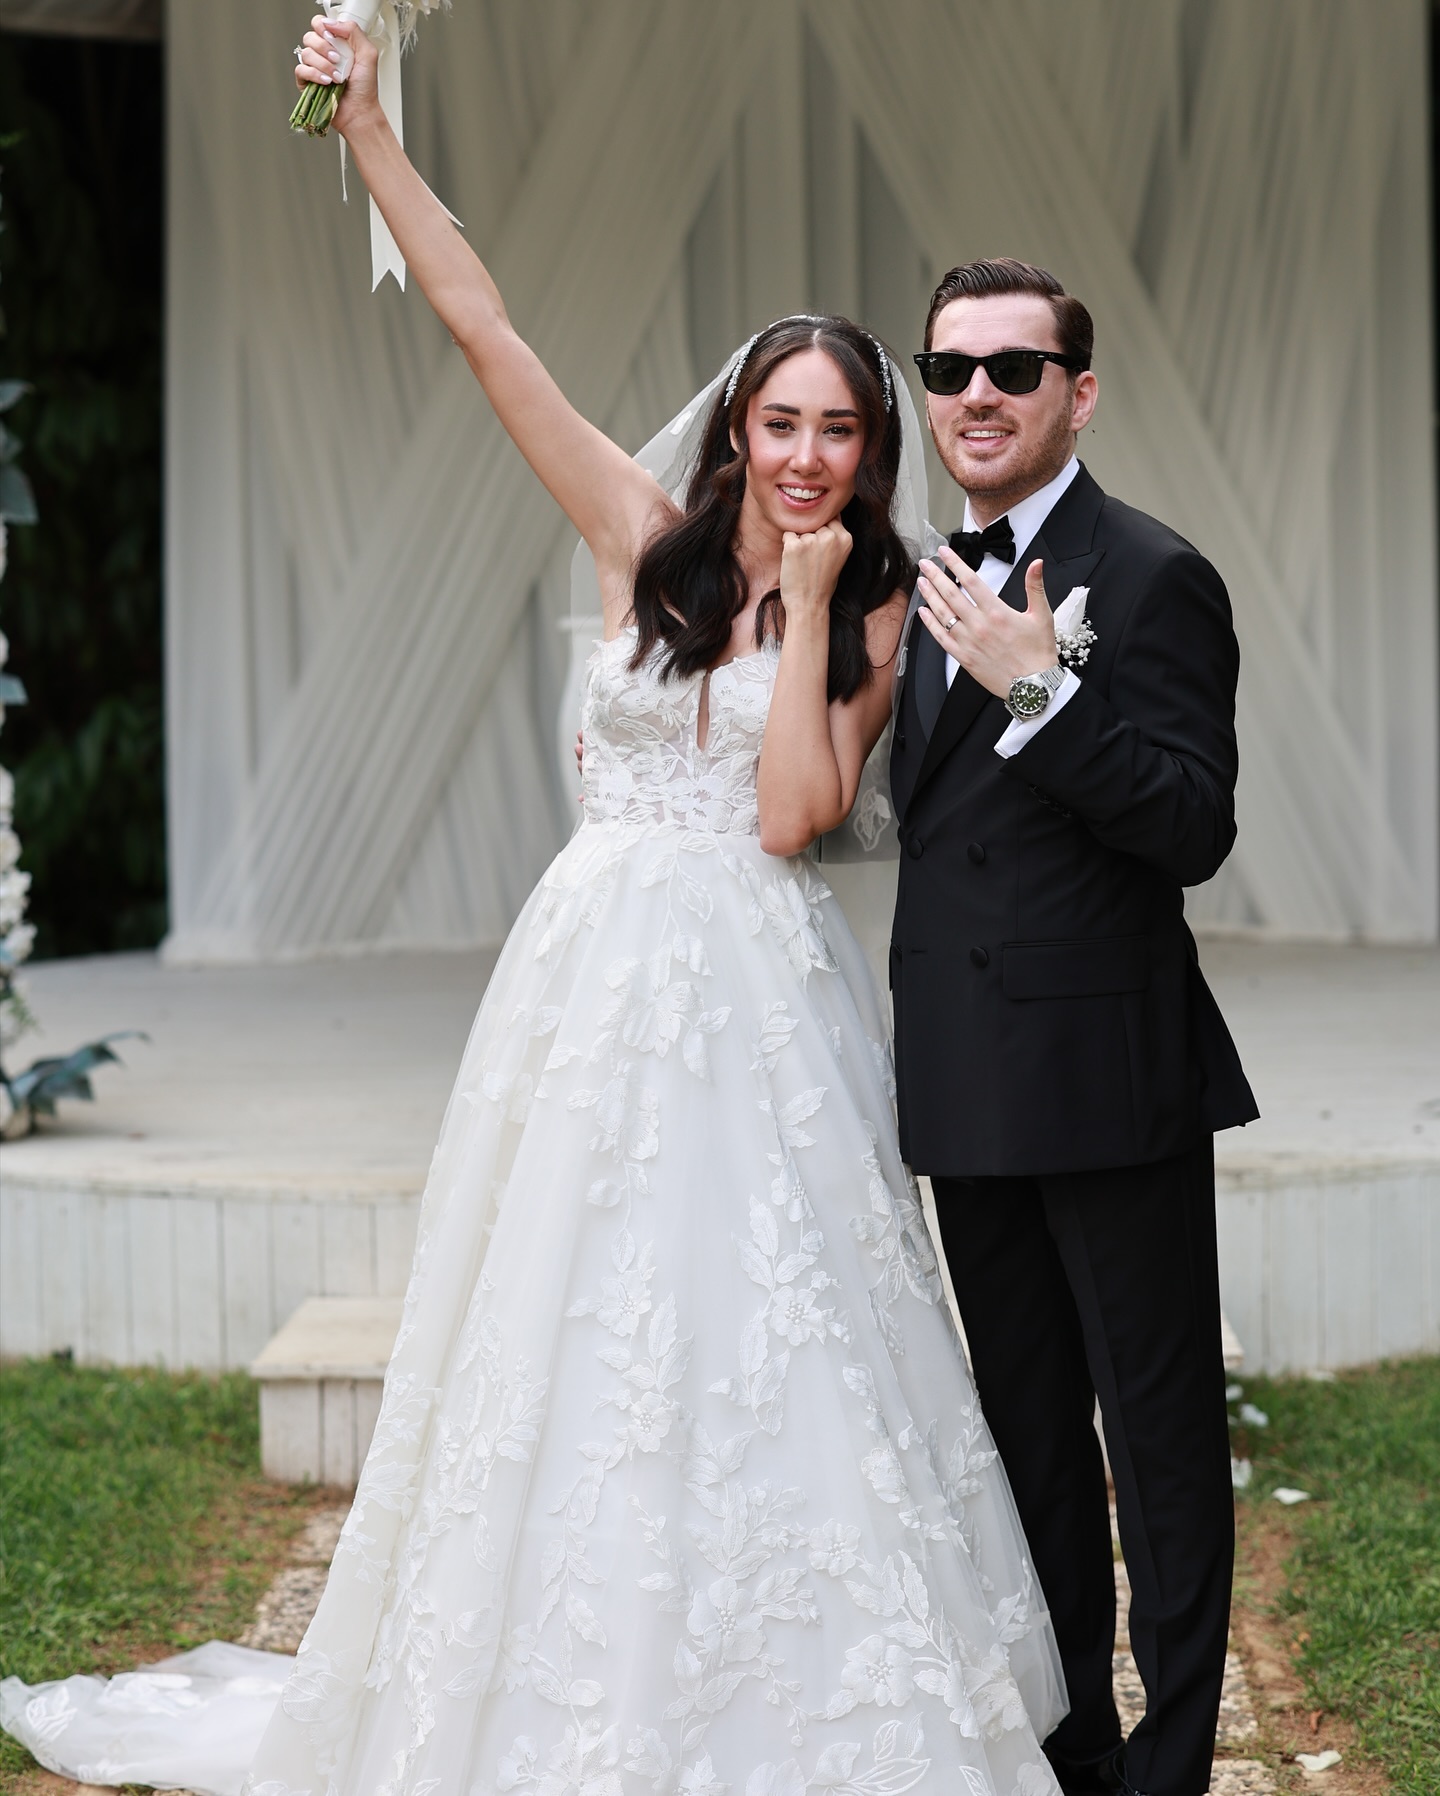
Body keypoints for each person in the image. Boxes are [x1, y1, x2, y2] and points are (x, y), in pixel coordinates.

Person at [0, 26, 1076, 1796]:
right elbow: (482, 327)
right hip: (596, 970)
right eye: (781, 423)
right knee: (571, 1310)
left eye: (839, 434)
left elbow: (799, 818)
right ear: (739, 428)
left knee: (773, 1322)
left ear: (874, 454)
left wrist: (809, 611)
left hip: (763, 993)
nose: (807, 456)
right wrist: (368, 132)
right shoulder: (636, 531)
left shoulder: (880, 610)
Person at [889, 258, 1259, 1796]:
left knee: (1157, 1451)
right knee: (1028, 1443)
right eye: (950, 368)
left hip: (1110, 1084)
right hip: (968, 1087)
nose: (976, 395)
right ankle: (1072, 1752)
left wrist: (1048, 696)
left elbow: (1193, 828)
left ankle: (1171, 1769)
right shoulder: (905, 583)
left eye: (1014, 371)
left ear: (1078, 393)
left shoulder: (1155, 572)